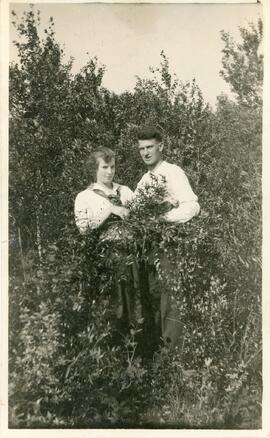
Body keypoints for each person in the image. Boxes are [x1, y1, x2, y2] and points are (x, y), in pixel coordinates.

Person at [135, 125, 200, 350]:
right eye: (141, 148)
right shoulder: (143, 181)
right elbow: (136, 214)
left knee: (170, 301)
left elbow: (192, 206)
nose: (145, 152)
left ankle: (172, 357)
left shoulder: (173, 172)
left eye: (149, 147)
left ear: (160, 146)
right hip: (148, 248)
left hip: (169, 245)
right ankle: (156, 355)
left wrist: (164, 218)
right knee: (152, 298)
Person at [74, 147, 135, 341]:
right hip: (106, 259)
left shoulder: (124, 191)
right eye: (105, 167)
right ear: (95, 168)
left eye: (113, 167)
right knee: (114, 306)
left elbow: (143, 215)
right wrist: (110, 210)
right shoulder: (85, 197)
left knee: (136, 303)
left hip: (133, 254)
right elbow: (84, 229)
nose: (110, 172)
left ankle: (139, 354)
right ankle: (115, 353)